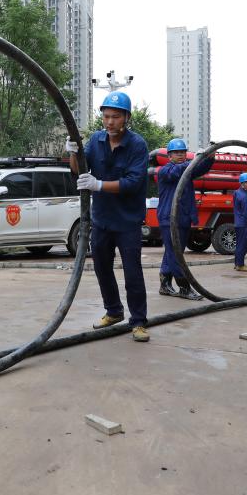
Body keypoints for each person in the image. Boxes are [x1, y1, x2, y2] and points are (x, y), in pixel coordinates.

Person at [65, 91, 150, 342]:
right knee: (102, 268)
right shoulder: (96, 140)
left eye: (116, 117)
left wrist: (99, 185)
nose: (110, 122)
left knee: (132, 272)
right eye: (106, 116)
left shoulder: (137, 145)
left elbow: (133, 183)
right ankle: (113, 311)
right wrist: (73, 153)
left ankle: (138, 321)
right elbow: (79, 170)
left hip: (127, 221)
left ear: (126, 118)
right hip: (102, 218)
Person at [152, 138, 214, 300]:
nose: (180, 155)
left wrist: (209, 157)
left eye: (182, 152)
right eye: (176, 153)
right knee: (175, 254)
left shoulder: (187, 169)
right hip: (169, 218)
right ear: (169, 156)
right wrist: (194, 160)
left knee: (173, 252)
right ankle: (184, 287)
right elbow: (176, 172)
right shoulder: (164, 171)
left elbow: (199, 169)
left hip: (183, 218)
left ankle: (164, 284)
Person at [232, 173, 247, 272]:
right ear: (242, 184)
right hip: (244, 224)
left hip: (238, 223)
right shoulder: (244, 196)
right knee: (244, 245)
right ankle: (240, 265)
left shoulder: (237, 192)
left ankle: (237, 263)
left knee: (239, 244)